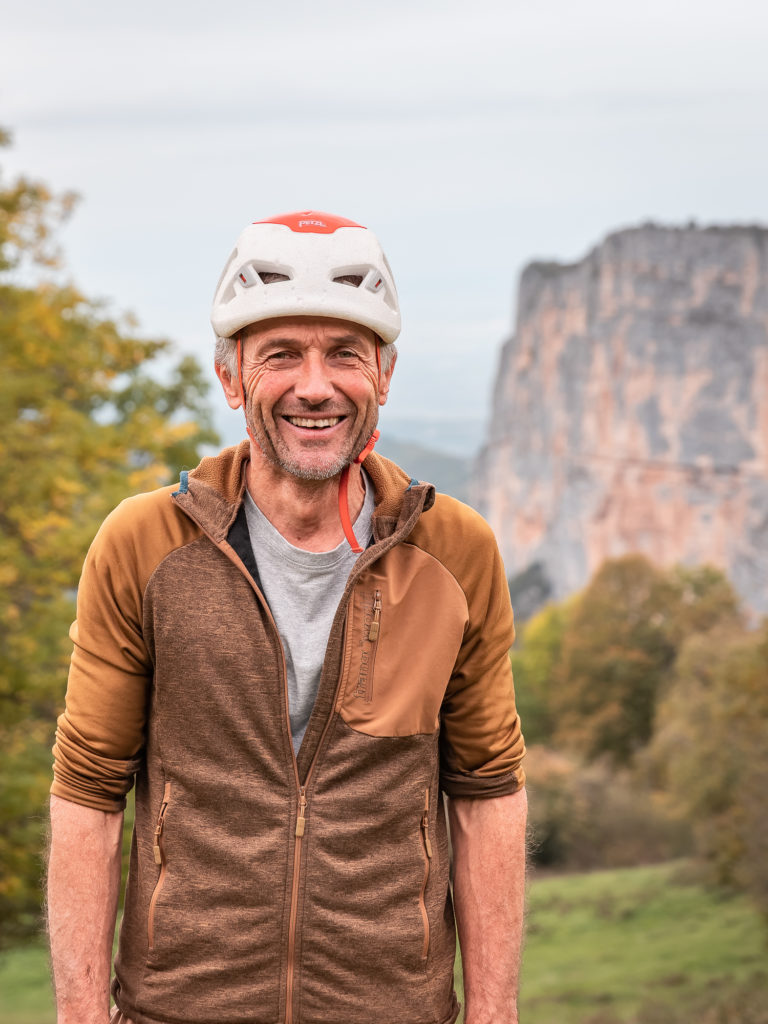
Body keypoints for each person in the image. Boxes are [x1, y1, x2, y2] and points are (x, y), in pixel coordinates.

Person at [47, 210, 527, 1024]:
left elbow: (486, 794)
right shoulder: (144, 546)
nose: (315, 385)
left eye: (345, 353)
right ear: (231, 378)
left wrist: (493, 1015)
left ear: (385, 373)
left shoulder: (456, 552)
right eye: (281, 355)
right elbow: (88, 793)